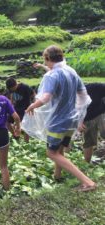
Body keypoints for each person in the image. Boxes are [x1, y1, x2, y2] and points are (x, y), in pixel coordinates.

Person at [24, 45, 96, 191]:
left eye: (45, 60)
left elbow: (45, 97)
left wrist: (32, 106)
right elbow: (83, 95)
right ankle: (57, 176)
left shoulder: (52, 75)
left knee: (51, 153)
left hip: (58, 121)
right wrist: (77, 113)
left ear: (47, 58)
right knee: (59, 149)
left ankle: (87, 182)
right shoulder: (71, 72)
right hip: (71, 120)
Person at [79, 83, 105, 163]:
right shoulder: (66, 96)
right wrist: (79, 121)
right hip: (86, 118)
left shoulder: (95, 87)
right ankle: (87, 164)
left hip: (100, 112)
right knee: (89, 141)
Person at [6, 77, 35, 142]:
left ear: (15, 84)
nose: (12, 90)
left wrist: (33, 105)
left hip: (26, 109)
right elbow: (11, 96)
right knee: (7, 122)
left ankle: (26, 142)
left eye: (12, 89)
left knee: (26, 127)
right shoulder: (10, 89)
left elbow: (33, 94)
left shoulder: (25, 87)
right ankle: (15, 136)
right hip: (16, 108)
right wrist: (11, 105)